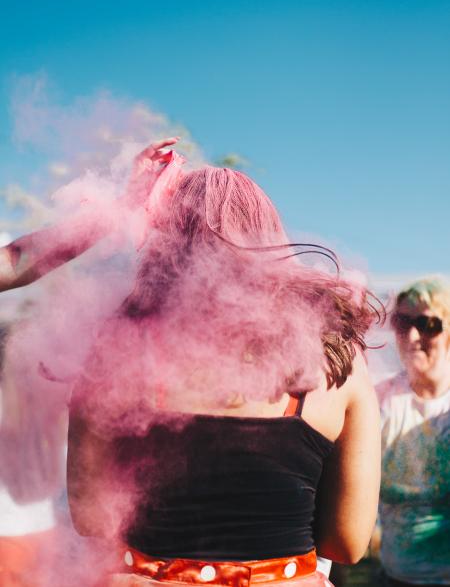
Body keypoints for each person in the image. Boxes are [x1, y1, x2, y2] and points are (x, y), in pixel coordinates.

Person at [1, 140, 381, 587]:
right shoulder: (338, 364)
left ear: (165, 245)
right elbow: (348, 543)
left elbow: (91, 516)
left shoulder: (114, 355)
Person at [377, 277, 450, 586]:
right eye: (401, 322)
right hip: (392, 576)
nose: (412, 336)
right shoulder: (379, 400)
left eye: (428, 324)